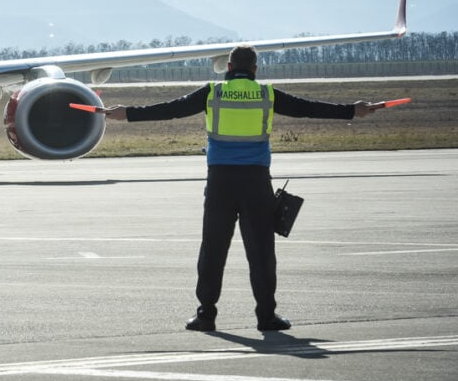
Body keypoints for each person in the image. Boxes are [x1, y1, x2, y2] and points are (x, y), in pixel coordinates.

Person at [103, 45, 380, 333]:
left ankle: (206, 316)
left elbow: (170, 109)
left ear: (229, 67)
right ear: (255, 69)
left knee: (213, 249)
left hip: (220, 181)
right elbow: (308, 108)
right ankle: (266, 317)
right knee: (261, 251)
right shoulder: (267, 94)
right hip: (256, 181)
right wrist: (353, 110)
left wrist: (127, 114)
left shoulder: (212, 92)